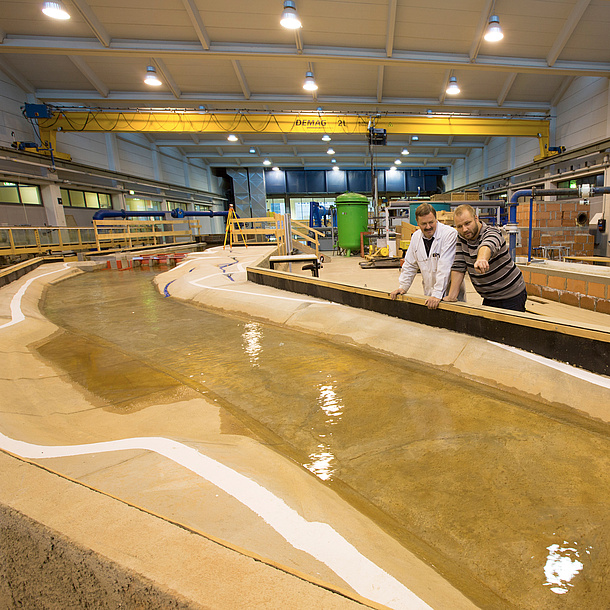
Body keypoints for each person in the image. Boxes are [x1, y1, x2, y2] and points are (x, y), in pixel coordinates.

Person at [444, 204, 527, 312]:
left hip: (511, 294)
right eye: (459, 226)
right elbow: (459, 266)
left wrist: (482, 259)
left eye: (467, 223)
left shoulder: (492, 232)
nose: (464, 229)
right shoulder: (462, 238)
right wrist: (452, 296)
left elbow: (488, 244)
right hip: (489, 297)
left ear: (476, 218)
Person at [390, 203, 459, 309]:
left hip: (449, 297)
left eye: (431, 222)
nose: (428, 227)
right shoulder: (416, 237)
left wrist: (437, 294)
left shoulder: (449, 234)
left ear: (436, 219)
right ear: (417, 222)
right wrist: (403, 286)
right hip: (430, 296)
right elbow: (410, 265)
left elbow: (445, 266)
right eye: (423, 224)